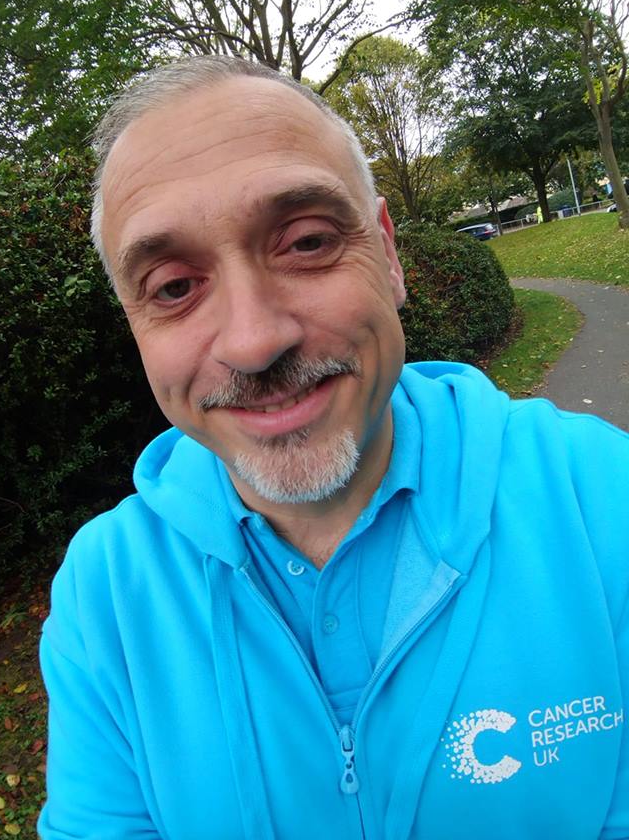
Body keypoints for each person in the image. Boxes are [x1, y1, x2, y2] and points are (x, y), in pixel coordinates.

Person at [38, 56, 628, 840]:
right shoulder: (105, 597)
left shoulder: (604, 498)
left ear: (388, 254)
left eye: (307, 242)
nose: (253, 342)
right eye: (174, 288)